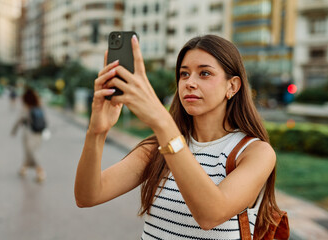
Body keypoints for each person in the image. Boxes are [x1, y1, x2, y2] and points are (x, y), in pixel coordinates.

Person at [75, 35, 280, 239]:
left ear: (232, 86)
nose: (190, 83)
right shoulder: (157, 149)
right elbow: (87, 196)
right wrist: (97, 132)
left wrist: (162, 122)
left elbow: (210, 215)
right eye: (184, 74)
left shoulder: (254, 152)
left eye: (205, 73)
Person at [11, 87, 46, 183]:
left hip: (29, 133)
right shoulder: (39, 105)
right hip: (38, 133)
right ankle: (23, 168)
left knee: (32, 153)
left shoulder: (26, 108)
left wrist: (13, 131)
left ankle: (40, 172)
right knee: (31, 152)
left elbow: (19, 120)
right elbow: (44, 120)